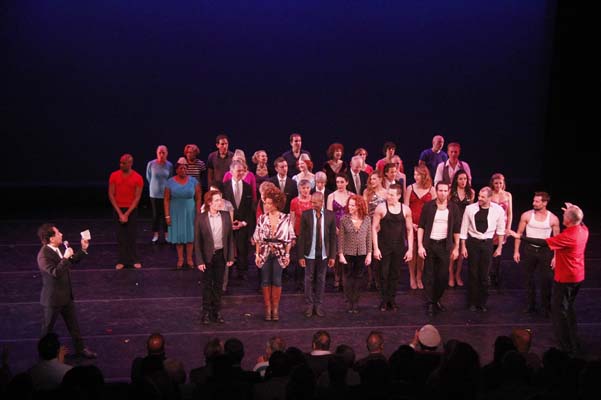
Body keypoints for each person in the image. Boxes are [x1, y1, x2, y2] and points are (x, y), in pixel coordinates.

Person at [506, 202, 588, 355]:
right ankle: (573, 339)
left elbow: (543, 242)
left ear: (569, 221)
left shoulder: (568, 236)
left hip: (566, 278)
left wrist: (520, 237)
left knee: (559, 312)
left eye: (565, 215)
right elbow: (580, 219)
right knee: (568, 308)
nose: (562, 215)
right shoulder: (583, 229)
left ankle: (567, 345)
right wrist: (574, 209)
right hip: (578, 276)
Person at [36, 223, 96, 359]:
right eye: (58, 233)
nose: (61, 234)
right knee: (47, 330)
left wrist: (83, 249)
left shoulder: (58, 248)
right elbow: (55, 272)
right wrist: (65, 258)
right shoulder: (43, 255)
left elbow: (72, 260)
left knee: (74, 326)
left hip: (66, 296)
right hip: (53, 299)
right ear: (51, 238)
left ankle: (81, 349)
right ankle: (43, 355)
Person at [513, 192, 560, 316]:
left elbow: (557, 240)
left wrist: (556, 257)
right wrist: (516, 251)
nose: (534, 203)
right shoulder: (527, 215)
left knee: (546, 280)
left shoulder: (553, 219)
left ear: (545, 203)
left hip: (546, 251)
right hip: (530, 250)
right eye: (534, 201)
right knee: (528, 279)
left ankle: (546, 307)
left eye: (537, 201)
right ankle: (530, 305)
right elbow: (519, 233)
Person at [417, 182, 461, 316]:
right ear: (436, 191)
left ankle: (437, 299)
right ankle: (431, 302)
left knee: (442, 276)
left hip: (444, 245)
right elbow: (421, 226)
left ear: (448, 192)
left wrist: (456, 248)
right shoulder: (428, 206)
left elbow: (456, 229)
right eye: (440, 190)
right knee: (429, 274)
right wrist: (420, 245)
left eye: (445, 191)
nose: (442, 193)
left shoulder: (453, 208)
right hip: (430, 244)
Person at [460, 186, 506, 312]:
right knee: (473, 273)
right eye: (479, 196)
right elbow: (464, 228)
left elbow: (501, 230)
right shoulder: (470, 209)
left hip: (487, 243)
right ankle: (472, 302)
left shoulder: (498, 210)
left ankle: (482, 302)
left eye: (483, 197)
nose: (479, 199)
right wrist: (463, 246)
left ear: (490, 198)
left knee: (484, 274)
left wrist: (500, 247)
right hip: (473, 243)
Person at [253, 187, 295, 321]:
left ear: (276, 203)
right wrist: (257, 255)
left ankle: (275, 309)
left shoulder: (285, 218)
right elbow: (258, 238)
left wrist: (287, 255)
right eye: (265, 203)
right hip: (265, 252)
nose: (267, 205)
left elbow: (289, 239)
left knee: (277, 280)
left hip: (280, 253)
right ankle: (268, 308)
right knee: (265, 280)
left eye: (270, 203)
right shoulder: (262, 219)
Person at [195, 190, 235, 324]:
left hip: (221, 255)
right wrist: (199, 260)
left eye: (221, 199)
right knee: (207, 286)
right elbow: (197, 241)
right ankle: (205, 313)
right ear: (209, 202)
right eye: (217, 200)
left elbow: (230, 238)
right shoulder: (201, 218)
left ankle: (216, 312)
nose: (220, 202)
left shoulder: (225, 216)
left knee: (218, 285)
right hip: (207, 257)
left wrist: (230, 257)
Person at [372, 184, 413, 311]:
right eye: (388, 194)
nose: (388, 196)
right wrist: (376, 248)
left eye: (391, 195)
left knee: (395, 274)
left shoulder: (405, 209)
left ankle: (392, 299)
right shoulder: (381, 208)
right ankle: (384, 300)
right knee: (383, 274)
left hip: (399, 246)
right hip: (384, 246)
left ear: (399, 196)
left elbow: (410, 229)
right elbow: (374, 228)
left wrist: (410, 249)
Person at [297, 192, 337, 318]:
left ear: (322, 202)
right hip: (309, 253)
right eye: (311, 202)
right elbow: (302, 236)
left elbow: (332, 237)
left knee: (321, 279)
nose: (312, 204)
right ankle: (309, 305)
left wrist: (332, 256)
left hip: (324, 253)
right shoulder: (306, 215)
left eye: (315, 202)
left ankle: (318, 305)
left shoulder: (330, 215)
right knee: (308, 279)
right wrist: (300, 256)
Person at [108, 153, 143, 269]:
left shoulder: (138, 177)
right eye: (120, 162)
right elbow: (111, 194)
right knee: (120, 236)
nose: (121, 165)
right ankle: (121, 260)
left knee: (131, 236)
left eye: (124, 163)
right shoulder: (114, 175)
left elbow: (137, 197)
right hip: (118, 209)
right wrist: (120, 213)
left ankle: (134, 259)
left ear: (130, 163)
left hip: (131, 210)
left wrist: (127, 214)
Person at [338, 195, 372, 313]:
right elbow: (341, 238)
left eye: (353, 205)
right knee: (348, 278)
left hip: (362, 253)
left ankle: (355, 302)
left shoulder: (367, 219)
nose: (350, 207)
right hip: (348, 252)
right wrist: (341, 254)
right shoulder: (344, 219)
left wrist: (369, 253)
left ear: (359, 206)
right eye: (349, 204)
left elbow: (369, 237)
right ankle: (348, 302)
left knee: (359, 278)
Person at [164, 162, 201, 269]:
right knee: (179, 235)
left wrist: (198, 212)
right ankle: (180, 258)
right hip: (175, 212)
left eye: (185, 168)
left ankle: (189, 258)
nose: (183, 170)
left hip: (190, 211)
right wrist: (167, 215)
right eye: (181, 168)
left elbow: (198, 198)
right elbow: (166, 199)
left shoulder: (193, 181)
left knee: (190, 235)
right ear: (176, 170)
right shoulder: (170, 182)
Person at [405, 165, 436, 290]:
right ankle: (412, 276)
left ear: (424, 175)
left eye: (418, 174)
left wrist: (426, 225)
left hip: (425, 225)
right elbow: (406, 207)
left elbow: (434, 208)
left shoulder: (431, 189)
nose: (415, 176)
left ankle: (419, 276)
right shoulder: (410, 188)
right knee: (412, 251)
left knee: (421, 252)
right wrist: (410, 223)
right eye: (414, 174)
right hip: (411, 223)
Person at [222, 160, 254, 281]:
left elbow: (249, 208)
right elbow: (222, 206)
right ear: (231, 171)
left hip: (242, 225)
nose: (240, 173)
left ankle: (242, 272)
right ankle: (227, 273)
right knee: (228, 249)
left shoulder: (248, 187)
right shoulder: (224, 187)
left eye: (242, 170)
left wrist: (243, 223)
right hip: (227, 224)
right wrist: (229, 223)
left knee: (242, 249)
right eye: (238, 170)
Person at [448, 169, 474, 287]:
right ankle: (450, 275)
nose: (463, 181)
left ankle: (458, 274)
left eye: (465, 179)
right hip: (453, 223)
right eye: (460, 179)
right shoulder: (451, 192)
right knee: (453, 250)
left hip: (465, 224)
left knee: (462, 252)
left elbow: (471, 209)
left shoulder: (471, 192)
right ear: (456, 180)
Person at [326, 173, 352, 291]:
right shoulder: (331, 196)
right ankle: (337, 278)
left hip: (349, 229)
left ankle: (346, 278)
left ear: (347, 182)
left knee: (347, 253)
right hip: (335, 229)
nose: (340, 184)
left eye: (342, 182)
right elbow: (329, 214)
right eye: (338, 182)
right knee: (336, 254)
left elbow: (354, 213)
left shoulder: (352, 195)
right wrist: (335, 229)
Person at [489, 173, 513, 291]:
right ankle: (488, 274)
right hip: (491, 226)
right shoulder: (490, 194)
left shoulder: (508, 195)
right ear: (492, 183)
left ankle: (496, 275)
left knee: (499, 250)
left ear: (503, 183)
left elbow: (509, 213)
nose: (498, 185)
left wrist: (508, 228)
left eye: (500, 183)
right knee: (489, 250)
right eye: (496, 183)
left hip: (502, 226)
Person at [146, 145, 173, 243]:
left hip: (165, 194)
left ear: (167, 153)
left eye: (163, 153)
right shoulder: (151, 164)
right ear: (157, 153)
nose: (161, 155)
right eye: (159, 153)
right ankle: (156, 234)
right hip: (154, 194)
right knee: (155, 215)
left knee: (166, 215)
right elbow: (148, 177)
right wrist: (154, 186)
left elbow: (170, 178)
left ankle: (166, 235)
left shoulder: (169, 165)